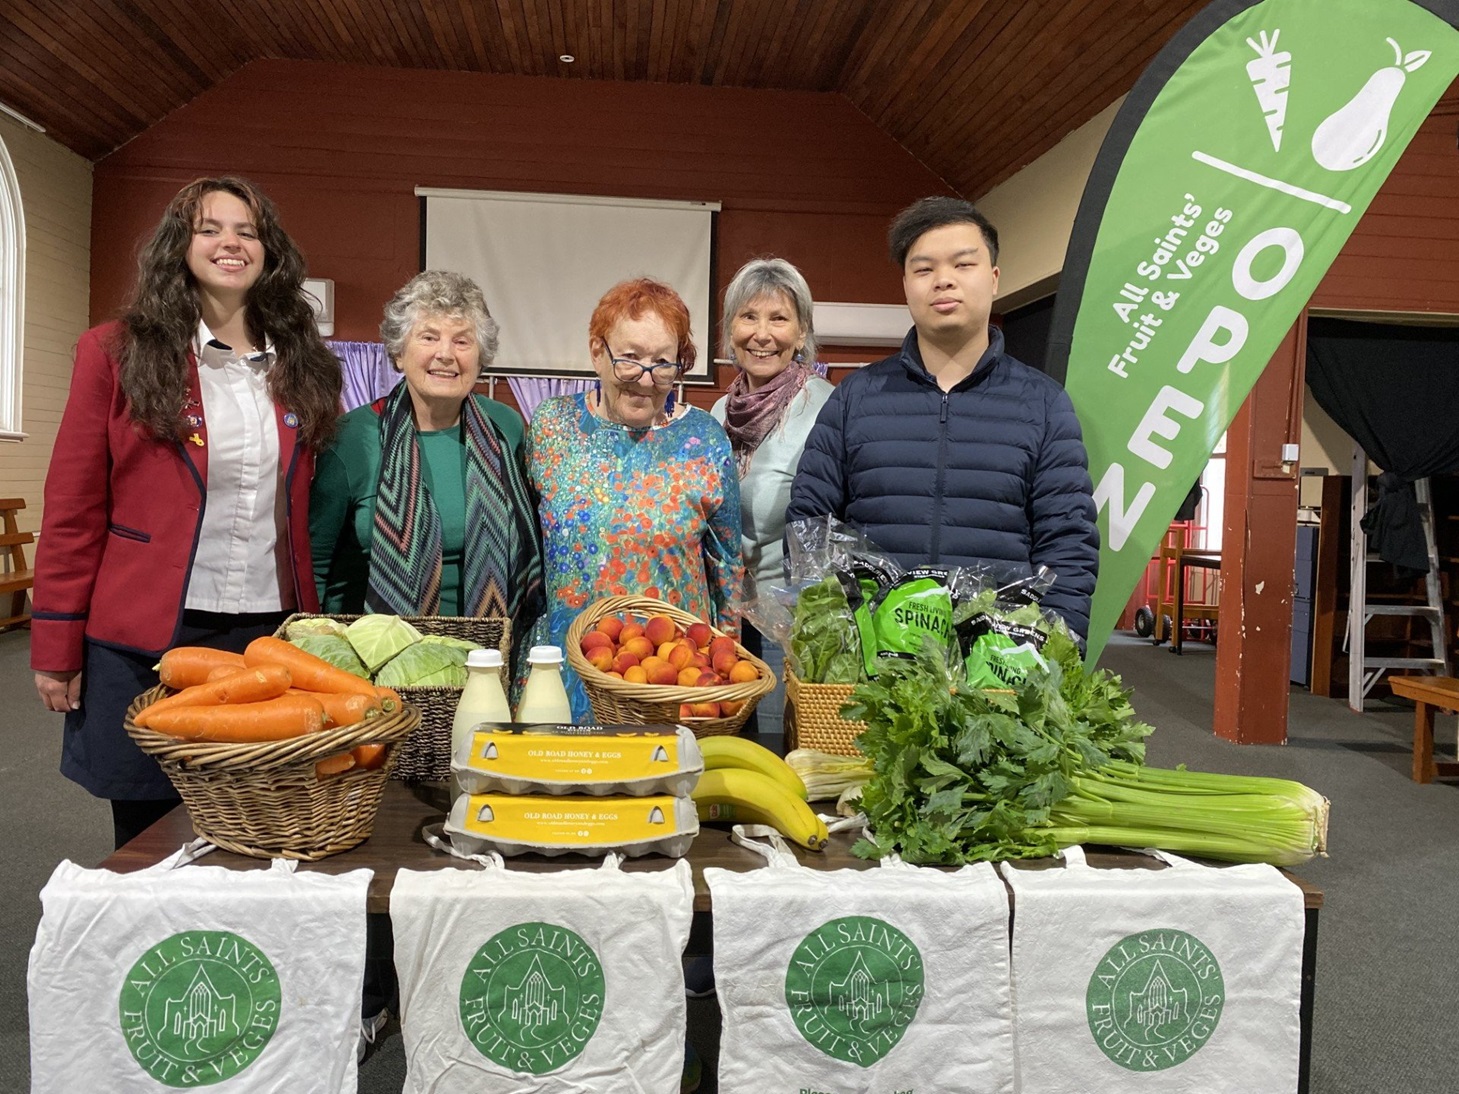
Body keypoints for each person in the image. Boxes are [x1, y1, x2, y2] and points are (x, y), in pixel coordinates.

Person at [31, 176, 342, 849]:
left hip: (262, 637)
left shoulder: (303, 364)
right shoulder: (114, 352)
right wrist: (56, 644)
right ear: (181, 245)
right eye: (210, 228)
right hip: (142, 638)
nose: (230, 242)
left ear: (270, 252)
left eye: (247, 231)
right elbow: (73, 510)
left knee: (256, 831)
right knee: (147, 839)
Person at [787, 195, 1099, 639]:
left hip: (997, 666)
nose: (943, 281)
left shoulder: (1044, 405)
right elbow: (808, 526)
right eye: (924, 268)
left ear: (993, 279)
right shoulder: (856, 397)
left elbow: (1068, 544)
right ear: (906, 285)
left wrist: (1053, 654)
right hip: (874, 661)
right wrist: (831, 635)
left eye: (963, 265)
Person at [528, 277, 742, 721]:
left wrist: (724, 680)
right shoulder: (552, 429)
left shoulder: (703, 439)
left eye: (663, 363)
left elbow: (727, 568)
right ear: (596, 351)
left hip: (672, 680)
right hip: (569, 678)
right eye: (630, 359)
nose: (645, 379)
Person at [309, 270, 542, 643]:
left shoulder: (506, 428)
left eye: (462, 341)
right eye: (429, 337)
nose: (445, 354)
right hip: (375, 657)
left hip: (491, 654)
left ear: (481, 358)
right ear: (399, 353)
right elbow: (316, 565)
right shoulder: (351, 438)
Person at [710, 258, 833, 740]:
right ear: (730, 330)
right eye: (748, 317)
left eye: (778, 319)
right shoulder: (722, 409)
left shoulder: (824, 408)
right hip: (726, 622)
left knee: (777, 758)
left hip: (790, 628)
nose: (762, 334)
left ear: (801, 333)